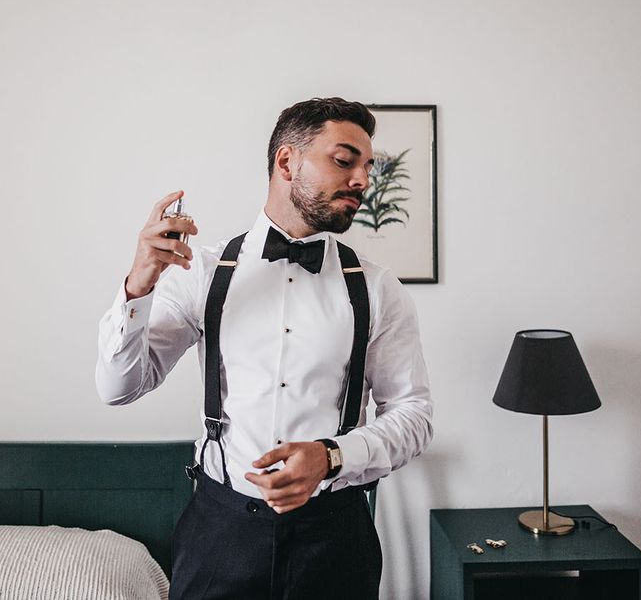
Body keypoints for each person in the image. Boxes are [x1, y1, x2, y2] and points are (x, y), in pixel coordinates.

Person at [95, 97, 433, 599]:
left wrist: (332, 456)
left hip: (336, 539)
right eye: (345, 161)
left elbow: (414, 415)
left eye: (367, 166)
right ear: (286, 162)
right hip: (219, 535)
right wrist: (138, 286)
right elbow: (118, 389)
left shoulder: (379, 289)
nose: (362, 180)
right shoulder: (202, 275)